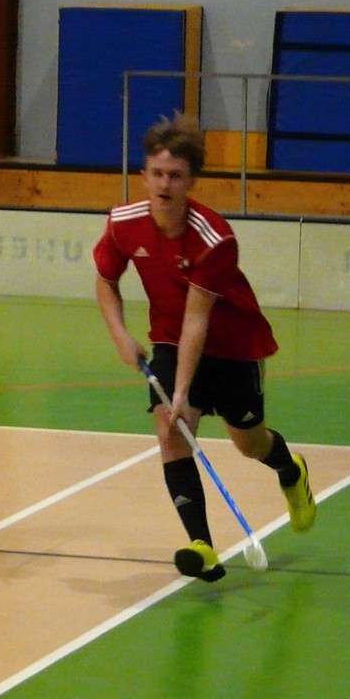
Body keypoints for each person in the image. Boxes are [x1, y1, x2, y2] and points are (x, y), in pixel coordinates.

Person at [94, 112, 316, 582]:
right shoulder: (123, 223)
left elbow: (198, 318)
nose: (164, 185)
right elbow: (106, 280)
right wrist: (120, 334)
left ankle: (290, 470)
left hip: (233, 343)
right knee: (171, 430)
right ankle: (202, 546)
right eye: (157, 173)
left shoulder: (214, 238)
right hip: (170, 338)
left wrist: (181, 391)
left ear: (191, 180)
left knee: (249, 443)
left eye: (175, 175)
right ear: (143, 175)